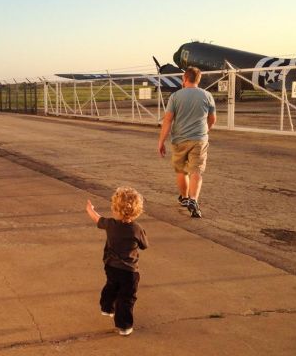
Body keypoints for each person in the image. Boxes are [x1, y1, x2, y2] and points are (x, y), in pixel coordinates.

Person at [86, 187, 148, 336]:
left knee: (112, 285)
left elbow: (96, 218)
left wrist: (90, 209)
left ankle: (106, 307)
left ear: (115, 208)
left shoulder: (110, 224)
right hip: (129, 271)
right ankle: (124, 325)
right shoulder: (136, 229)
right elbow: (144, 245)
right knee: (126, 297)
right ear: (137, 210)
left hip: (110, 266)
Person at [158, 66, 217, 218]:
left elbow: (168, 120)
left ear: (184, 78)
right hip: (199, 139)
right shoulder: (207, 95)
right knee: (196, 171)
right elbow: (212, 119)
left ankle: (184, 197)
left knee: (181, 170)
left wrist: (161, 141)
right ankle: (193, 199)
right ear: (198, 79)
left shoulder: (175, 96)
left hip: (179, 140)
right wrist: (206, 130)